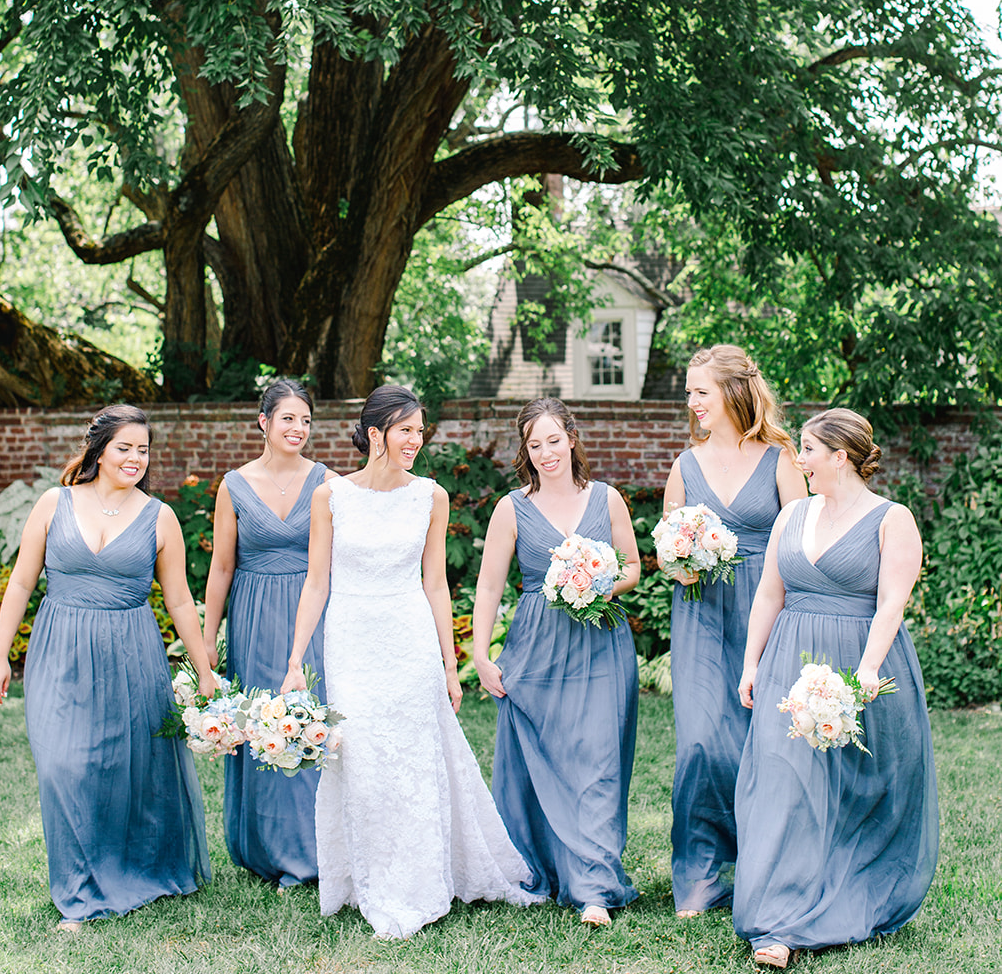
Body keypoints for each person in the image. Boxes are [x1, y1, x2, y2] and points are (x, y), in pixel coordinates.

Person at [282, 384, 537, 938]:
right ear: (375, 434)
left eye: (420, 431)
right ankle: (368, 879)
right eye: (406, 430)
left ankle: (419, 881)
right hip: (351, 638)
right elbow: (317, 582)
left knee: (414, 758)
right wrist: (296, 659)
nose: (416, 441)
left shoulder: (430, 496)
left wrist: (449, 663)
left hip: (408, 636)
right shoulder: (330, 497)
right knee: (363, 758)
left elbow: (436, 583)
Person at [0, 406, 213, 931]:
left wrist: (203, 668)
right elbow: (21, 582)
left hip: (131, 653)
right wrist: (0, 655)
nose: (135, 458)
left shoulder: (160, 517)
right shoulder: (54, 503)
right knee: (63, 766)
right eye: (124, 447)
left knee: (127, 769)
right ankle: (79, 889)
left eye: (143, 450)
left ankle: (128, 873)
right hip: (59, 650)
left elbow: (179, 599)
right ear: (99, 450)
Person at [733, 408, 938, 968]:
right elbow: (769, 594)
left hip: (857, 664)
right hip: (789, 663)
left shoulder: (892, 519)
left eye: (808, 449)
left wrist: (867, 670)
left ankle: (847, 894)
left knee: (855, 789)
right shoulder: (791, 515)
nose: (799, 459)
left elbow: (891, 602)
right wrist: (751, 663)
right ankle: (779, 921)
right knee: (783, 783)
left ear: (840, 457)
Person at [472, 397, 642, 927]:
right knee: (541, 760)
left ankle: (594, 888)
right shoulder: (511, 509)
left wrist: (600, 584)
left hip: (600, 645)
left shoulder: (607, 499)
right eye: (534, 444)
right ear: (525, 451)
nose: (545, 453)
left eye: (553, 440)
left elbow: (633, 567)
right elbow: (489, 586)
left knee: (598, 761)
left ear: (571, 438)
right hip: (537, 648)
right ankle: (541, 866)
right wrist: (480, 653)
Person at [661, 345, 806, 917]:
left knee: (764, 741)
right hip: (700, 611)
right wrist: (680, 561)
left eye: (702, 391)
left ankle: (766, 866)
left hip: (766, 611)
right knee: (701, 742)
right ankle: (701, 874)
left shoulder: (781, 459)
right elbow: (665, 546)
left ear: (732, 392)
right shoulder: (684, 465)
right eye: (690, 393)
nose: (692, 402)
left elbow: (802, 541)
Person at [203, 379, 332, 890]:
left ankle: (316, 850)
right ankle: (265, 847)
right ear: (264, 422)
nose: (298, 428)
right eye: (288, 419)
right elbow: (221, 567)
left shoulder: (326, 482)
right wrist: (208, 638)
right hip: (253, 616)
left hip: (310, 613)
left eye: (306, 420)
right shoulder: (233, 485)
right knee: (261, 724)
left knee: (311, 718)